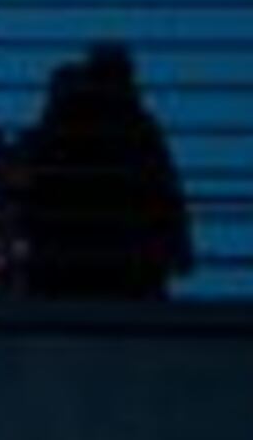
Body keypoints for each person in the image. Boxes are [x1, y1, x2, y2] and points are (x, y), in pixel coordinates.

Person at [11, 43, 193, 299]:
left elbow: (163, 188)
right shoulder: (137, 125)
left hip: (69, 259)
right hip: (122, 261)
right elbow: (164, 188)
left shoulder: (68, 120)